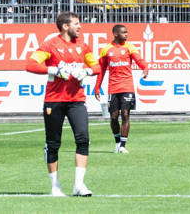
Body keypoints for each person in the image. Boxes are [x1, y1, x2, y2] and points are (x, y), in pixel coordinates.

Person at [26, 11, 100, 197]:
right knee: (53, 143)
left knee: (83, 139)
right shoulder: (50, 45)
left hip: (77, 100)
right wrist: (54, 69)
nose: (80, 27)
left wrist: (87, 72)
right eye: (76, 23)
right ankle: (55, 186)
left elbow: (97, 66)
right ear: (66, 26)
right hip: (54, 100)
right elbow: (30, 65)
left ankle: (79, 185)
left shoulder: (83, 46)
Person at [93, 24, 149, 154]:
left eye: (127, 32)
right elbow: (101, 70)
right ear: (116, 34)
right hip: (113, 87)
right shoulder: (106, 50)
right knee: (113, 117)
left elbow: (139, 60)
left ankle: (123, 145)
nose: (126, 34)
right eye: (124, 33)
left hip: (127, 86)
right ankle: (117, 142)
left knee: (125, 114)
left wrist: (145, 68)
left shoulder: (130, 47)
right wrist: (97, 87)